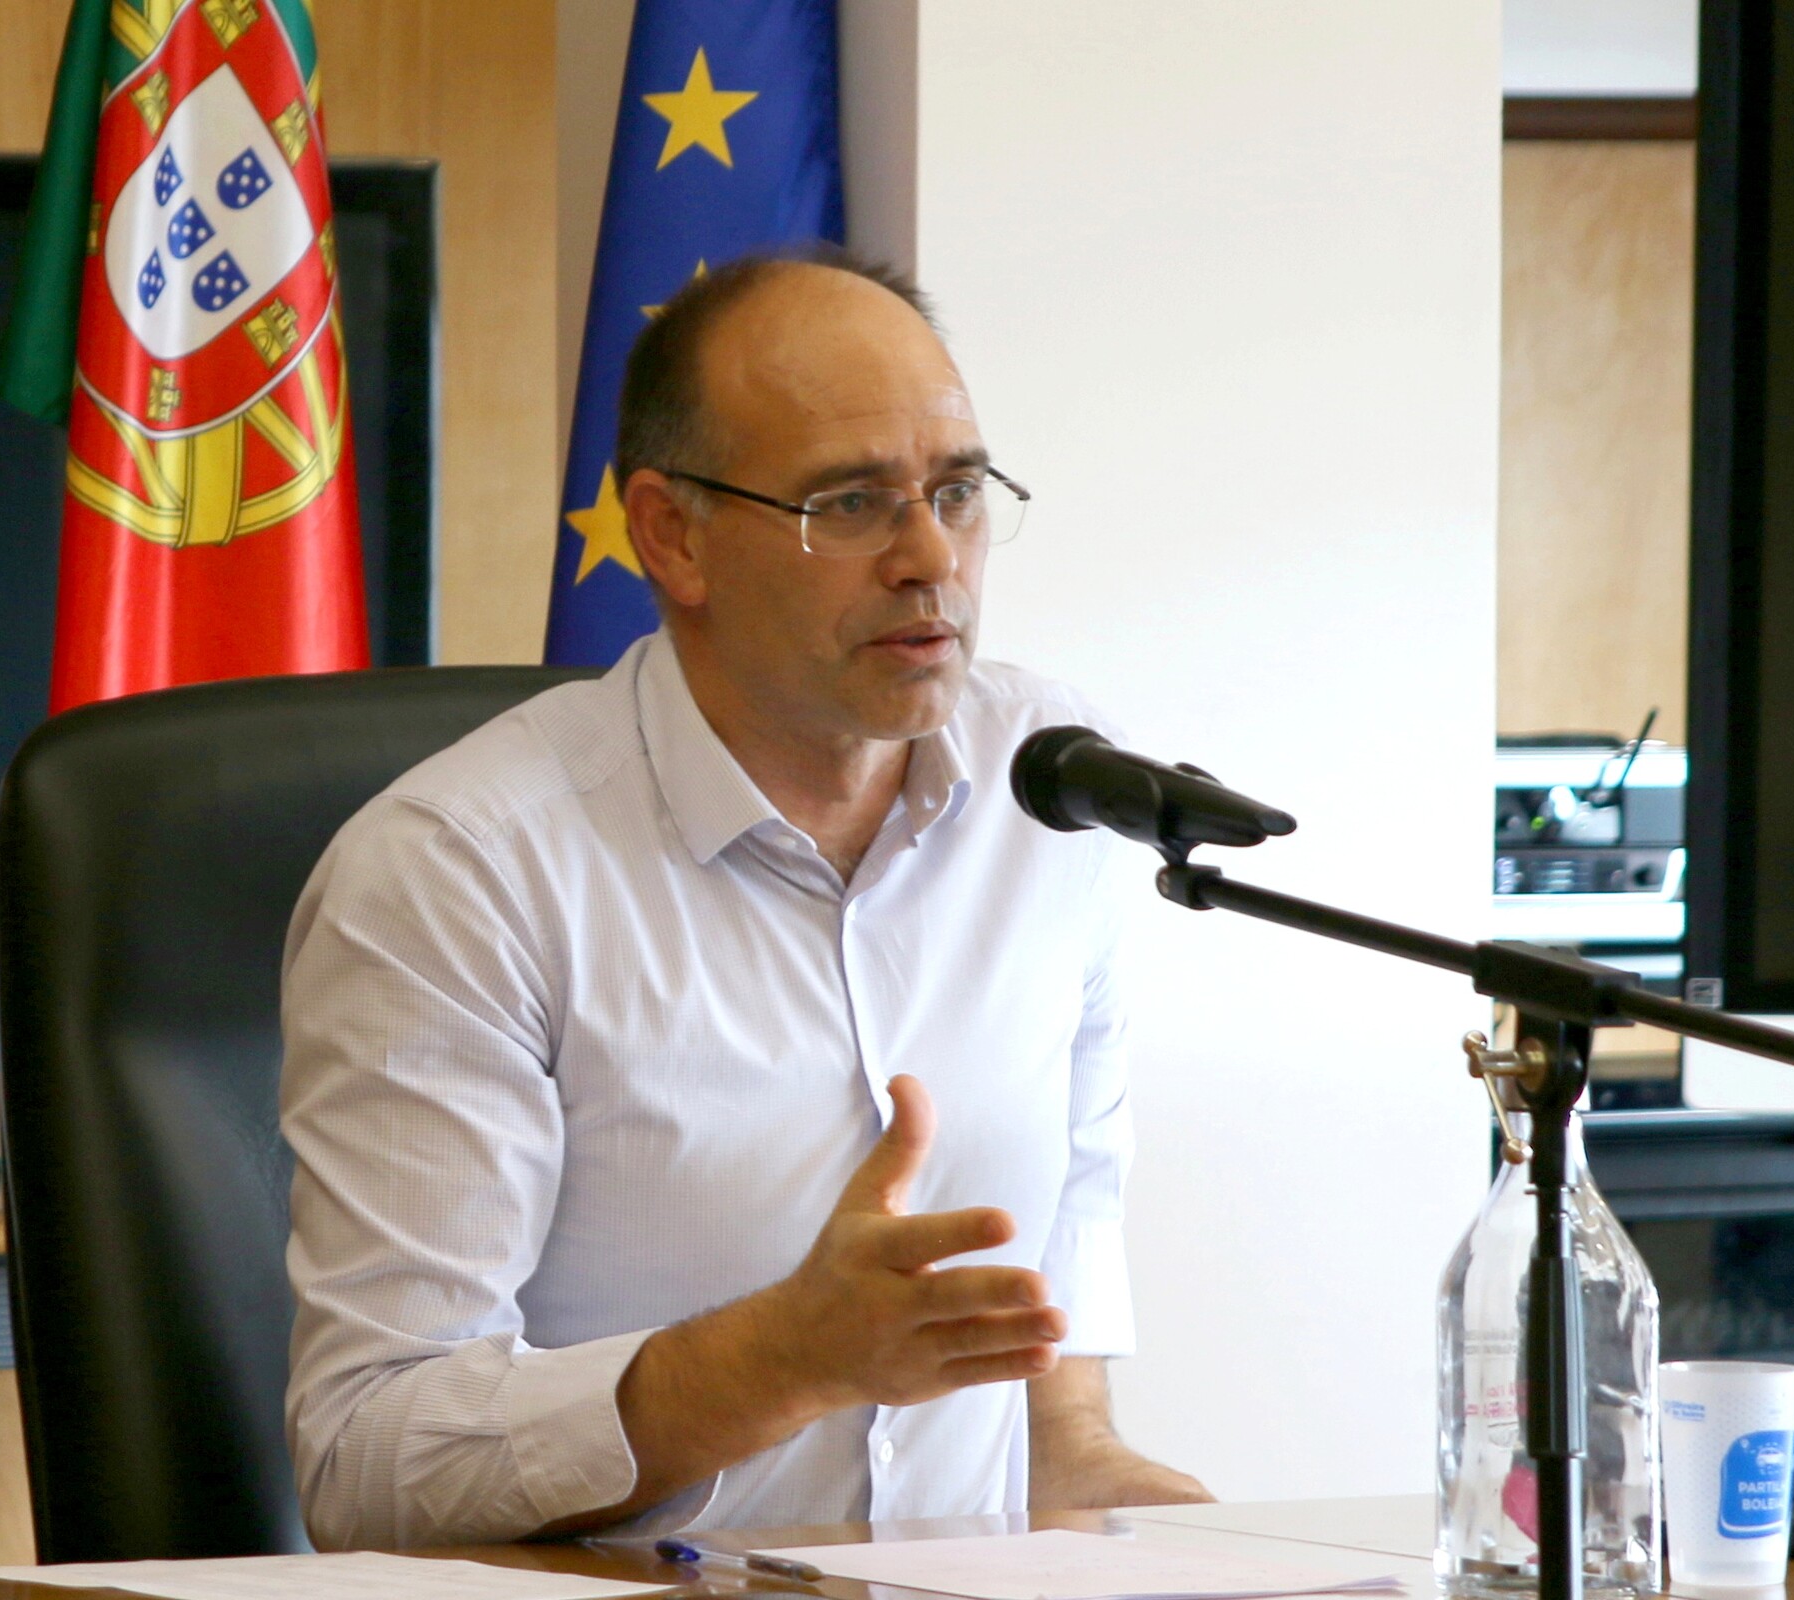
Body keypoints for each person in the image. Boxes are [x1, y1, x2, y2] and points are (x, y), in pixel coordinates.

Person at [280, 251, 1208, 1549]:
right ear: (673, 536)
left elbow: (1072, 1206)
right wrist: (777, 1359)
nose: (929, 558)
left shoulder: (1046, 784)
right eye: (851, 503)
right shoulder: (460, 872)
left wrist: (1081, 1458)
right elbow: (372, 1460)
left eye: (956, 492)